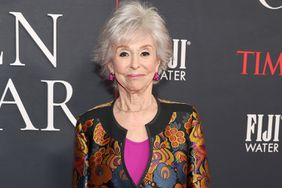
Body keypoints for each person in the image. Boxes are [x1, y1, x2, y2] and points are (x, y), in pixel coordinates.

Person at [73, 1, 210, 187]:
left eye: (144, 53)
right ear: (110, 64)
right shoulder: (89, 125)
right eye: (124, 54)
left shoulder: (185, 121)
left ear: (157, 61)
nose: (135, 64)